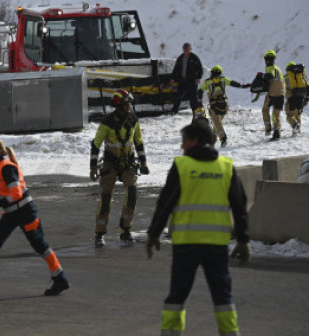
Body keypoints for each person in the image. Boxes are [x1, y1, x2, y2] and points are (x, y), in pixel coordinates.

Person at [145, 120, 250, 336]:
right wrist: (243, 240)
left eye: (184, 141)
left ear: (194, 141)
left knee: (177, 296)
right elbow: (240, 207)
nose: (182, 147)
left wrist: (153, 234)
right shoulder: (226, 167)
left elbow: (165, 203)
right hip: (217, 247)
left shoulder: (183, 166)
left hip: (186, 244)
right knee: (223, 298)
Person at [0, 139, 70, 297]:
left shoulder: (6, 168)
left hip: (25, 212)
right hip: (12, 213)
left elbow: (16, 193)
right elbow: (3, 194)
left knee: (39, 245)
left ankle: (61, 279)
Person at [90, 89, 149, 247]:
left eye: (130, 103)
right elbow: (95, 144)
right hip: (110, 165)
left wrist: (144, 162)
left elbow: (138, 142)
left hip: (128, 164)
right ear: (118, 105)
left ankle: (125, 230)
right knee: (106, 197)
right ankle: (99, 234)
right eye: (126, 103)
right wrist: (93, 167)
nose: (129, 106)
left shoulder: (134, 121)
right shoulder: (106, 123)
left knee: (132, 194)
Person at [197, 65, 250, 147]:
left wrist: (200, 102)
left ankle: (223, 139)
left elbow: (200, 91)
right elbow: (233, 83)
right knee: (217, 123)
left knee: (216, 123)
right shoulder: (224, 80)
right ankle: (213, 137)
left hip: (214, 105)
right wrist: (243, 86)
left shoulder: (208, 82)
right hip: (224, 105)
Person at [170, 42, 203, 114]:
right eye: (185, 49)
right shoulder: (180, 58)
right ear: (183, 49)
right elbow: (175, 69)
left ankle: (195, 112)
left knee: (193, 97)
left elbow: (200, 68)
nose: (186, 50)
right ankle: (174, 111)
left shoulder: (194, 58)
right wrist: (172, 78)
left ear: (190, 49)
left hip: (192, 81)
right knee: (178, 96)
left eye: (188, 48)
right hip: (182, 81)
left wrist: (198, 78)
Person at [262, 50, 285, 141]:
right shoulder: (278, 69)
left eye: (268, 59)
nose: (267, 61)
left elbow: (270, 76)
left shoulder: (269, 68)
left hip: (272, 95)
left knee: (265, 109)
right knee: (276, 114)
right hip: (281, 95)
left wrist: (262, 76)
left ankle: (268, 128)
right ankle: (277, 132)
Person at [284, 61, 307, 136]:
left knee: (289, 116)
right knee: (298, 114)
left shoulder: (286, 77)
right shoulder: (301, 76)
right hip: (301, 96)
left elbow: (282, 88)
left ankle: (295, 126)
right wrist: (306, 98)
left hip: (291, 97)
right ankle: (297, 132)